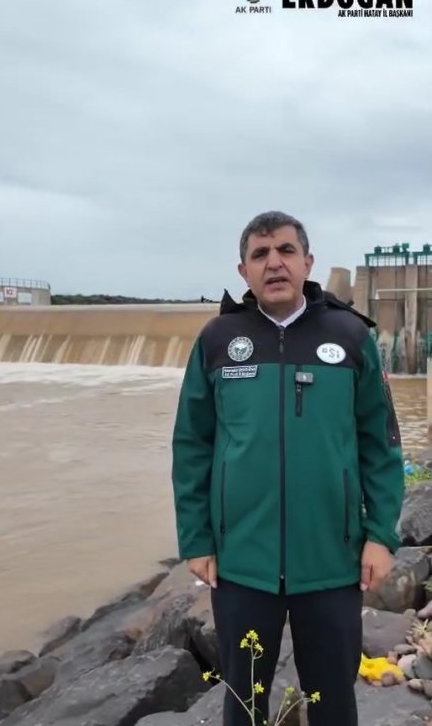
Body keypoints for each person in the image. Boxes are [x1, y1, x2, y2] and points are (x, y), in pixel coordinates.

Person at [171, 211, 405, 726]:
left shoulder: (349, 336)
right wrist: (197, 539)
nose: (273, 262)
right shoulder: (217, 341)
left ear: (307, 262)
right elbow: (192, 445)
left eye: (285, 251)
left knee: (333, 704)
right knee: (245, 705)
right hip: (240, 565)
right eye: (260, 254)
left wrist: (380, 536)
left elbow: (382, 445)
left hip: (332, 560)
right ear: (243, 271)